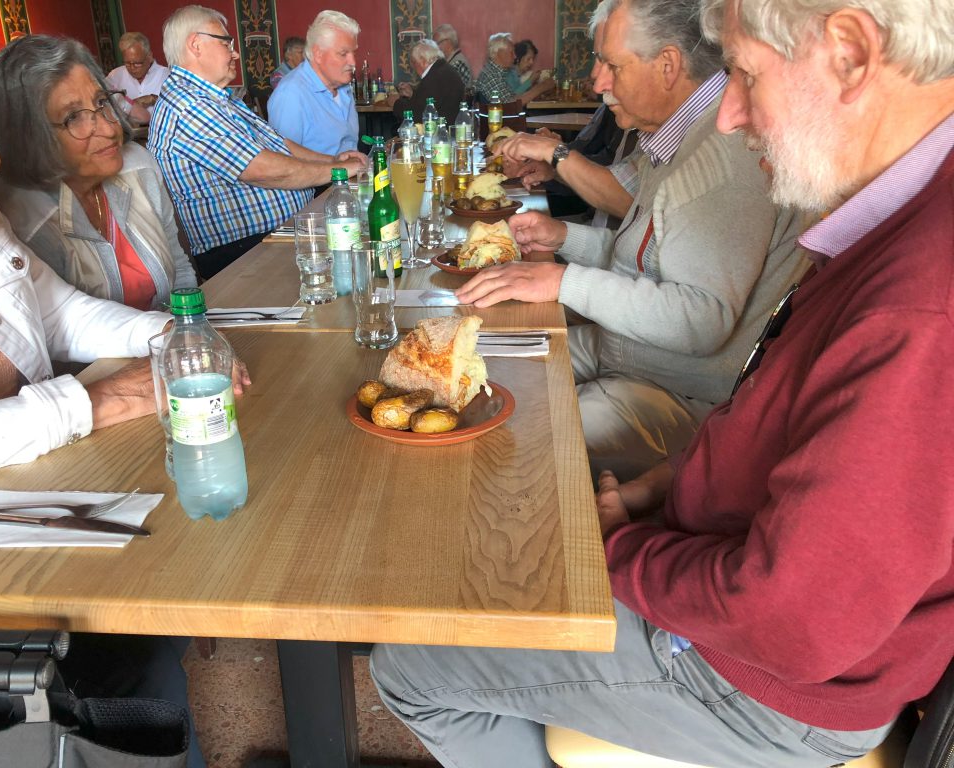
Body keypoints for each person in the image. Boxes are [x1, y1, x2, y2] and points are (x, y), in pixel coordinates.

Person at [370, 0, 954, 766]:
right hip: (729, 588)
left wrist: (616, 551)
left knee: (410, 661)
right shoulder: (897, 223)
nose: (730, 115)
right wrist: (667, 488)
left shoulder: (918, 306)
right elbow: (796, 441)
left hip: (762, 684)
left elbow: (795, 623)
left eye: (745, 76)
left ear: (849, 52)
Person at [0, 4, 249, 766]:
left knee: (150, 616)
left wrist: (172, 339)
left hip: (19, 518)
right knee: (128, 657)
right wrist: (92, 402)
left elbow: (63, 312)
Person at [459, 0, 809, 481]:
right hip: (628, 352)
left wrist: (563, 282)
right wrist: (562, 236)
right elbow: (644, 260)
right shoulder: (675, 137)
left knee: (505, 437)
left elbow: (702, 319)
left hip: (684, 393)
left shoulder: (724, 154)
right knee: (479, 362)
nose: (597, 81)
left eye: (612, 65)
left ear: (668, 65)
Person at [149, 5, 364, 279]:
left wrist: (332, 160)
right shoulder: (188, 105)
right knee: (359, 262)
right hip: (242, 254)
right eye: (226, 43)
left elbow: (277, 142)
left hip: (272, 236)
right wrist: (338, 171)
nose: (235, 53)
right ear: (196, 45)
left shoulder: (214, 98)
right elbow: (264, 170)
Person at [0, 35, 196, 311]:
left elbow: (180, 269)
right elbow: (57, 328)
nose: (109, 129)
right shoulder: (22, 218)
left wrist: (190, 326)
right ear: (28, 136)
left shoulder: (138, 166)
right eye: (72, 117)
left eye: (101, 102)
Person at [266, 11, 360, 157]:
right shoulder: (291, 94)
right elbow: (282, 162)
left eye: (354, 53)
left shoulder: (343, 87)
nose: (353, 62)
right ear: (318, 54)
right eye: (343, 54)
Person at [387, 39, 464, 124]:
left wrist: (396, 103)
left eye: (414, 62)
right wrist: (413, 94)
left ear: (423, 61)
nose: (414, 68)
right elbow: (427, 102)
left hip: (441, 130)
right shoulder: (443, 69)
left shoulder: (434, 77)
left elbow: (419, 116)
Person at [106, 31, 169, 125]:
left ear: (149, 56)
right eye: (127, 63)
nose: (132, 68)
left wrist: (155, 99)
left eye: (137, 63)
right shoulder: (115, 75)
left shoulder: (167, 75)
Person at [475, 32, 553, 106]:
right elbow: (510, 105)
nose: (515, 56)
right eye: (511, 52)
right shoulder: (492, 76)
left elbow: (512, 97)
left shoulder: (496, 72)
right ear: (499, 53)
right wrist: (541, 87)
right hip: (503, 115)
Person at [432, 23, 473, 99]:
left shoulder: (458, 63)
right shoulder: (449, 61)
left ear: (448, 42)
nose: (434, 48)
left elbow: (445, 91)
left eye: (436, 44)